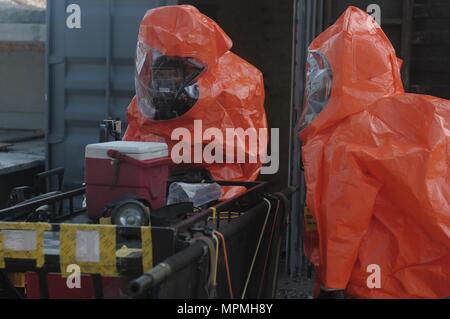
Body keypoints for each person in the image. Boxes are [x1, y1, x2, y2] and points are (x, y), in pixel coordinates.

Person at [299, 6, 450, 298]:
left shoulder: (349, 137)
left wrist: (332, 285)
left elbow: (343, 224)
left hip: (379, 283)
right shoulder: (422, 115)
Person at [124, 5, 267, 198]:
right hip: (156, 191)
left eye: (175, 72)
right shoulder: (147, 99)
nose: (168, 82)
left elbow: (245, 158)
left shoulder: (236, 87)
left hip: (215, 193)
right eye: (165, 72)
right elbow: (131, 148)